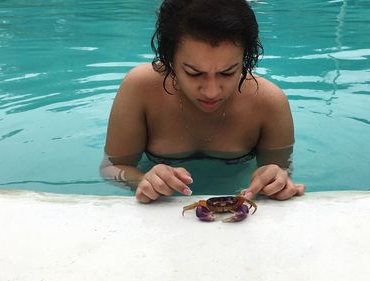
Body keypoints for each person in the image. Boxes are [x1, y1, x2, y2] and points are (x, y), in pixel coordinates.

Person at [100, 0, 305, 203]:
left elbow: (280, 171)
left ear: (246, 59)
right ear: (169, 58)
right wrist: (143, 180)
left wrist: (278, 180)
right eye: (194, 73)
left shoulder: (268, 103)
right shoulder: (140, 89)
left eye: (228, 72)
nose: (211, 91)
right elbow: (112, 167)